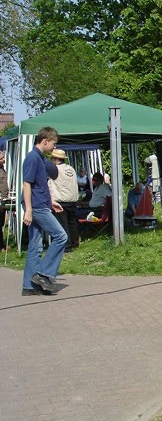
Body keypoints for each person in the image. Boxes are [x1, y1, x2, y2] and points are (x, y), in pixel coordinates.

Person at [22, 127, 67, 296]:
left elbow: (38, 186)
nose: (54, 148)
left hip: (40, 204)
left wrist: (50, 202)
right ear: (45, 141)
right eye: (53, 144)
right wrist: (28, 209)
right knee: (61, 236)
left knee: (35, 245)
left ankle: (29, 286)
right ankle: (43, 274)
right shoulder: (33, 158)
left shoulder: (39, 158)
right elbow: (27, 184)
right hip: (37, 206)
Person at [48, 149, 80, 252]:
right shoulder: (71, 169)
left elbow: (50, 184)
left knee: (63, 224)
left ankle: (67, 246)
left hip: (60, 200)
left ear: (56, 159)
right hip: (72, 199)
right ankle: (75, 242)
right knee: (72, 223)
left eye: (52, 158)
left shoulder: (54, 169)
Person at [0, 151, 8, 250]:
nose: (4, 160)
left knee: (1, 224)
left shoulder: (2, 169)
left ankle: (2, 244)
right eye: (1, 158)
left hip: (3, 200)